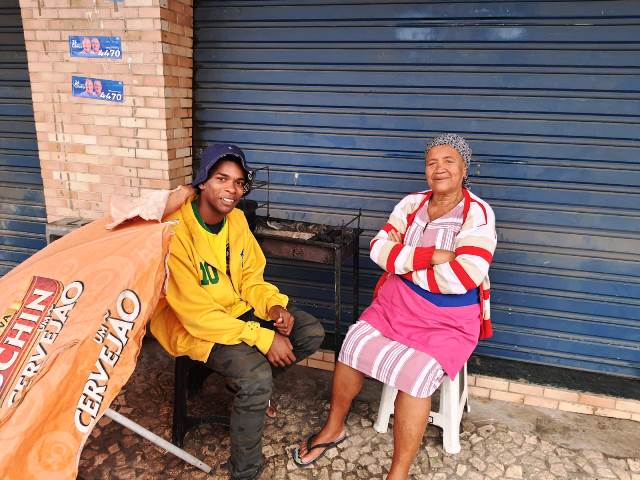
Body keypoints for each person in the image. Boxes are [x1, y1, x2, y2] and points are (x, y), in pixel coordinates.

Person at [293, 133, 497, 479]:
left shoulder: (477, 214)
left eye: (448, 161)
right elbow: (377, 248)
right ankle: (333, 428)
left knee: (415, 377)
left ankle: (397, 473)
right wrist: (430, 257)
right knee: (352, 345)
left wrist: (403, 267)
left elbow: (463, 277)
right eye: (432, 162)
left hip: (448, 320)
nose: (439, 168)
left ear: (464, 169)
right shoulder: (411, 204)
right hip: (396, 305)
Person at [150, 143, 325, 480]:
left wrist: (273, 307)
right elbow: (195, 313)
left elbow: (249, 278)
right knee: (257, 376)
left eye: (239, 182)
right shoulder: (176, 230)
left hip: (235, 310)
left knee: (310, 332)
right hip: (193, 325)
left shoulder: (237, 220)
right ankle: (244, 472)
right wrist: (260, 337)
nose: (231, 189)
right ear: (203, 181)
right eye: (221, 178)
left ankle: (240, 389)